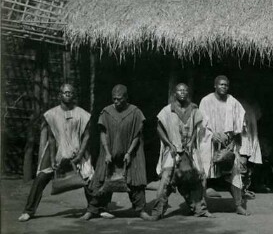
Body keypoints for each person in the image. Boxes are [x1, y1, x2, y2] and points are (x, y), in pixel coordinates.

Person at [18, 84, 94, 222]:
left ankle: (95, 209)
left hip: (77, 150)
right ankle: (29, 211)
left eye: (70, 93)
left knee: (89, 177)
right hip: (58, 151)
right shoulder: (52, 114)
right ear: (60, 95)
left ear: (74, 95)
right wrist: (53, 158)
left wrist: (79, 155)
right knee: (41, 178)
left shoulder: (82, 114)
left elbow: (87, 136)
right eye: (64, 92)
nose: (67, 95)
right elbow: (52, 138)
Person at [82, 85, 152, 221]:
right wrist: (107, 152)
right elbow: (102, 133)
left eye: (119, 99)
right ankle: (92, 210)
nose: (116, 102)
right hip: (110, 151)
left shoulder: (135, 112)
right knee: (100, 179)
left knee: (135, 181)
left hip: (130, 151)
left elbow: (137, 135)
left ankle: (141, 210)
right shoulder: (106, 112)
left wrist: (129, 153)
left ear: (126, 98)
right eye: (114, 99)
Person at [150, 83, 209, 220]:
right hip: (173, 150)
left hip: (189, 150)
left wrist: (191, 141)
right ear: (174, 93)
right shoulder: (167, 110)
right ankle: (157, 212)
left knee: (196, 179)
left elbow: (196, 127)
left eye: (185, 90)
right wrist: (169, 144)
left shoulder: (193, 109)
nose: (182, 92)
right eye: (179, 90)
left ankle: (200, 209)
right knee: (166, 180)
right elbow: (159, 128)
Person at [199, 75, 249, 215]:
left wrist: (231, 135)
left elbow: (241, 120)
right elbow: (201, 122)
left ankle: (238, 205)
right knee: (204, 173)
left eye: (226, 85)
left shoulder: (233, 102)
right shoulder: (206, 101)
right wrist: (212, 134)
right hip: (208, 142)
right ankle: (202, 208)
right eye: (221, 84)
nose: (223, 87)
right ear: (215, 85)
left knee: (235, 173)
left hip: (227, 143)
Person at [238, 97, 263, 199]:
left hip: (248, 140)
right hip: (243, 141)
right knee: (243, 167)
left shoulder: (250, 106)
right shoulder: (240, 104)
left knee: (246, 168)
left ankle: (243, 190)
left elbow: (258, 117)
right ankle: (241, 191)